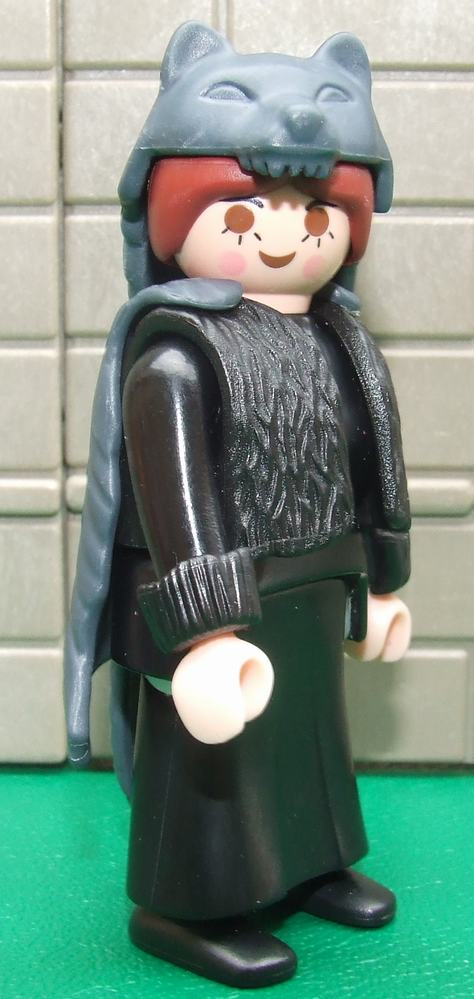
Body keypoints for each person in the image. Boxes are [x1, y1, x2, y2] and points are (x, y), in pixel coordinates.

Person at [65, 23, 411, 988]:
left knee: (311, 732)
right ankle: (190, 906)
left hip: (316, 578)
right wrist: (206, 630)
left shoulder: (339, 338)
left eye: (315, 212)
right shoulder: (176, 352)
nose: (286, 232)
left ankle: (311, 861)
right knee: (213, 762)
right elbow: (175, 494)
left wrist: (380, 581)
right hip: (215, 598)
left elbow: (368, 458)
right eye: (250, 207)